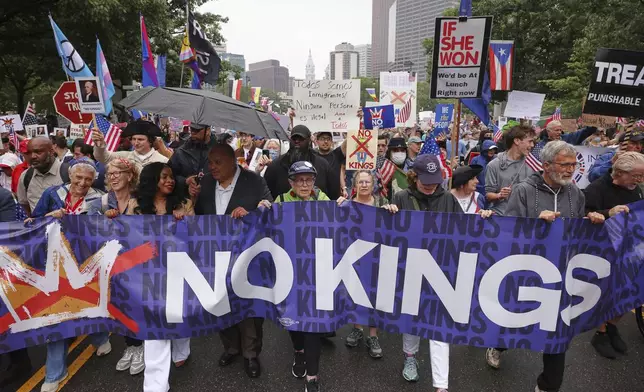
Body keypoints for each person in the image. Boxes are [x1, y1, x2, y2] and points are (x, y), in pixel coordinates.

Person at [497, 141, 605, 392]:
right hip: (527, 270)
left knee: (557, 334)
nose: (570, 169)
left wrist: (594, 219)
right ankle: (499, 344)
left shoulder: (576, 193)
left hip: (562, 275)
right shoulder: (523, 190)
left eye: (573, 164)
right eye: (564, 164)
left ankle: (547, 385)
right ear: (546, 165)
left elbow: (578, 229)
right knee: (516, 319)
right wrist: (536, 221)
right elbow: (509, 228)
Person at [381, 155, 463, 392]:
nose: (430, 185)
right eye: (425, 180)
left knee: (439, 324)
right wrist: (388, 213)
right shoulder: (401, 198)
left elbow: (465, 231)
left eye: (434, 180)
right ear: (413, 177)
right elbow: (388, 235)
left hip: (441, 268)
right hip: (410, 268)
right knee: (412, 318)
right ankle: (410, 356)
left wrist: (484, 220)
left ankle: (441, 384)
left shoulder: (448, 199)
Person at [190, 143, 272, 378]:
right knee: (220, 304)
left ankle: (250, 354)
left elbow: (269, 207)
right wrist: (190, 198)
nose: (212, 167)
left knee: (248, 309)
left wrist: (252, 214)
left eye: (217, 162)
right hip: (213, 256)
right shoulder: (205, 183)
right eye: (210, 162)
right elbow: (195, 216)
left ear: (233, 160)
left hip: (246, 257)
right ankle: (231, 347)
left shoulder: (254, 181)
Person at [29, 158, 108, 392]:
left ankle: (100, 338)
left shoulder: (100, 198)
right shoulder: (52, 193)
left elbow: (109, 231)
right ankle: (54, 373)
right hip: (55, 263)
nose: (82, 183)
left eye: (88, 179)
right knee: (58, 314)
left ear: (94, 180)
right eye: (78, 178)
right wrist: (48, 216)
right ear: (70, 177)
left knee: (90, 305)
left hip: (86, 262)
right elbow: (32, 221)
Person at [128, 163, 192, 392]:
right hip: (147, 274)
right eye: (164, 177)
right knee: (155, 326)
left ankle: (182, 348)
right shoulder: (135, 205)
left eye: (172, 177)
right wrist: (112, 216)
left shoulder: (184, 204)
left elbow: (196, 238)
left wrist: (183, 221)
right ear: (151, 180)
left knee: (178, 315)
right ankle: (155, 386)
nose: (170, 180)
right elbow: (125, 235)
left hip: (178, 271)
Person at [272, 161, 330, 392]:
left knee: (313, 325)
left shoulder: (323, 200)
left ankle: (312, 378)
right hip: (290, 273)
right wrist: (263, 207)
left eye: (309, 180)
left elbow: (342, 219)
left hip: (317, 273)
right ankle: (299, 352)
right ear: (291, 183)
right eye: (300, 180)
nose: (305, 184)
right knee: (293, 319)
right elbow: (268, 225)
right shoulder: (282, 201)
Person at [84, 158, 145, 375]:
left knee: (137, 304)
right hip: (113, 264)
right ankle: (131, 346)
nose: (113, 176)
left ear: (130, 176)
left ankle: (139, 346)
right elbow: (84, 224)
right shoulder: (100, 202)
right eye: (110, 173)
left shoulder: (141, 200)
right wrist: (102, 219)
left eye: (119, 172)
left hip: (139, 262)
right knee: (121, 306)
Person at [584, 151, 644, 359]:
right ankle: (600, 333)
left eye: (642, 176)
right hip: (604, 252)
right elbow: (584, 218)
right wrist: (609, 213)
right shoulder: (596, 189)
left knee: (629, 292)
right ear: (619, 172)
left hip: (632, 251)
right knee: (608, 293)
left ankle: (611, 326)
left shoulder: (637, 190)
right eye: (636, 176)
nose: (639, 180)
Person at [336, 170, 387, 358]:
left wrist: (393, 211)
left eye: (367, 181)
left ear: (373, 185)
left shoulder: (382, 204)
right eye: (361, 182)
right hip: (353, 256)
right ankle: (357, 328)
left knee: (373, 296)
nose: (364, 185)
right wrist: (338, 206)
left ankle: (373, 335)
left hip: (376, 257)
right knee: (355, 293)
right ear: (354, 186)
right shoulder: (347, 205)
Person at [264, 125, 340, 200]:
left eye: (301, 139)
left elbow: (334, 195)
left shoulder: (322, 165)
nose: (297, 141)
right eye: (294, 139)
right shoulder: (276, 166)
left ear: (309, 141)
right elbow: (267, 196)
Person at [485, 125, 537, 216]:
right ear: (517, 141)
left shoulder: (533, 164)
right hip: (502, 217)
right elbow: (488, 195)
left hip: (527, 218)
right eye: (530, 141)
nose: (532, 145)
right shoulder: (493, 165)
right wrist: (499, 195)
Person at [93, 119, 169, 174]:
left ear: (150, 141)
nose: (136, 143)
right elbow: (103, 157)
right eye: (133, 139)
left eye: (140, 139)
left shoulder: (162, 160)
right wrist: (100, 144)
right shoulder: (124, 156)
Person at [17, 137, 64, 216]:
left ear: (51, 152)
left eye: (38, 152)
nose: (32, 156)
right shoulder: (25, 176)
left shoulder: (67, 173)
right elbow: (25, 205)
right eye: (29, 152)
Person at [170, 123, 212, 190]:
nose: (193, 133)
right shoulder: (181, 151)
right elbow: (170, 174)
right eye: (192, 129)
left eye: (197, 130)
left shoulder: (219, 152)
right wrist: (185, 181)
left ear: (208, 130)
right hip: (185, 197)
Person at [531, 121, 597, 161]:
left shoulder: (567, 138)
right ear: (548, 131)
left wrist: (595, 121)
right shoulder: (541, 146)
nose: (559, 132)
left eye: (560, 130)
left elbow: (585, 132)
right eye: (556, 130)